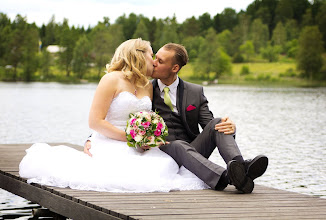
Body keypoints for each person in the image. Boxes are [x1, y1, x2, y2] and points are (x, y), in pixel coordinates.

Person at [19, 39, 208, 193]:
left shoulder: (148, 85)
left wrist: (148, 138)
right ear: (139, 55)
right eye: (152, 55)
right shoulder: (111, 79)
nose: (153, 61)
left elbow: (149, 118)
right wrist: (131, 138)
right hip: (111, 142)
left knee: (163, 168)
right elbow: (95, 121)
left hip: (139, 145)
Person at [85, 43, 269, 194]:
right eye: (154, 57)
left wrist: (229, 127)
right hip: (164, 149)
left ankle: (241, 167)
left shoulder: (195, 92)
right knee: (178, 145)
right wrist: (90, 138)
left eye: (160, 61)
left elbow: (209, 126)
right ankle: (230, 177)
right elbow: (117, 114)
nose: (154, 63)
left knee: (219, 122)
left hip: (193, 150)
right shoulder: (146, 88)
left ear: (174, 68)